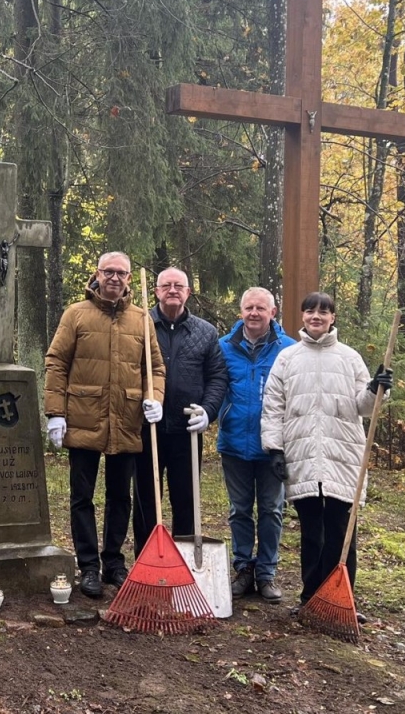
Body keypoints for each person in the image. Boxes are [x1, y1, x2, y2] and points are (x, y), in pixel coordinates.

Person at [44, 252, 166, 599]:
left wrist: (155, 398)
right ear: (97, 274)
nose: (114, 278)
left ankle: (113, 561)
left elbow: (155, 368)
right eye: (108, 272)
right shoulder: (76, 314)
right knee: (82, 497)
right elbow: (56, 362)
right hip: (83, 417)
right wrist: (56, 412)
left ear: (129, 279)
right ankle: (88, 566)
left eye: (121, 273)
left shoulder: (142, 320)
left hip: (126, 421)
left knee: (120, 497)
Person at [261, 292, 392, 612]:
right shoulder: (288, 358)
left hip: (342, 454)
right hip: (302, 452)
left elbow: (363, 406)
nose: (316, 316)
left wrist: (377, 388)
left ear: (333, 317)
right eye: (310, 311)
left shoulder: (349, 357)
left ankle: (340, 598)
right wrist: (274, 448)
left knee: (342, 530)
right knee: (312, 533)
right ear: (302, 316)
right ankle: (310, 597)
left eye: (323, 311)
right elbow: (273, 406)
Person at [132, 267, 227, 558]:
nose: (173, 290)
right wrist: (140, 403)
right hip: (148, 428)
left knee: (186, 498)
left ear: (188, 292)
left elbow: (218, 377)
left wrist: (208, 411)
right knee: (147, 498)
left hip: (187, 430)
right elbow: (128, 370)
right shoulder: (140, 324)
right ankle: (147, 560)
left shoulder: (205, 332)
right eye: (166, 285)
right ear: (157, 291)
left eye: (179, 286)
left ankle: (184, 561)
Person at [217, 287, 296, 603]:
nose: (253, 313)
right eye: (248, 307)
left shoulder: (289, 350)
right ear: (241, 312)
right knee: (239, 510)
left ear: (272, 313)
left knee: (272, 510)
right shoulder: (223, 347)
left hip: (272, 448)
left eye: (260, 308)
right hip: (234, 442)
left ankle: (266, 573)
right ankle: (243, 569)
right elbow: (214, 387)